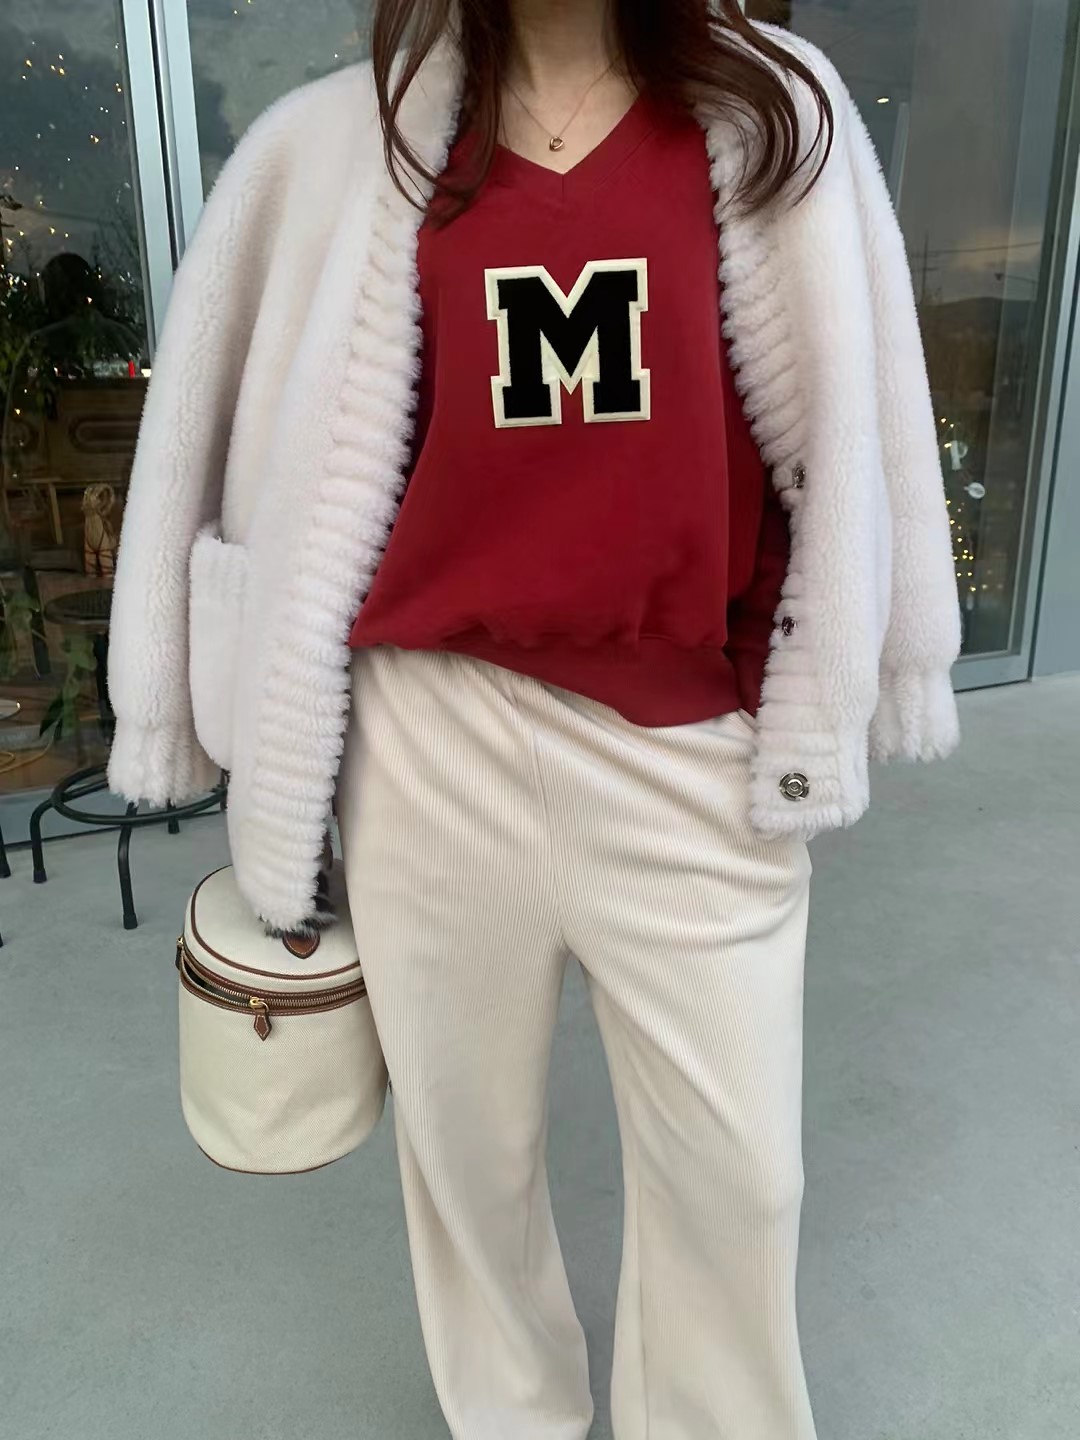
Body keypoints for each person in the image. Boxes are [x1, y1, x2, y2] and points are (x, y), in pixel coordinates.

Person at [106, 2, 961, 1436]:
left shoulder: (772, 110)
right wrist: (174, 687)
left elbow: (863, 406)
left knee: (744, 1177)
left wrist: (870, 652)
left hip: (687, 741)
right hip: (430, 739)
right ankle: (513, 1418)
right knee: (467, 1164)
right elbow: (204, 414)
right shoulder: (341, 143)